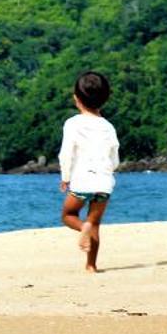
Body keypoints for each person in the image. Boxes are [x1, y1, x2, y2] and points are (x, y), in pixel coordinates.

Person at [58, 70, 119, 272]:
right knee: (95, 223)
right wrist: (111, 171)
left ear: (76, 98)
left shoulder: (73, 123)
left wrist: (65, 177)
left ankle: (82, 227)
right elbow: (114, 155)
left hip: (83, 180)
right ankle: (91, 265)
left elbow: (66, 153)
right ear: (105, 99)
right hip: (104, 182)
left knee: (69, 214)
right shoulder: (108, 126)